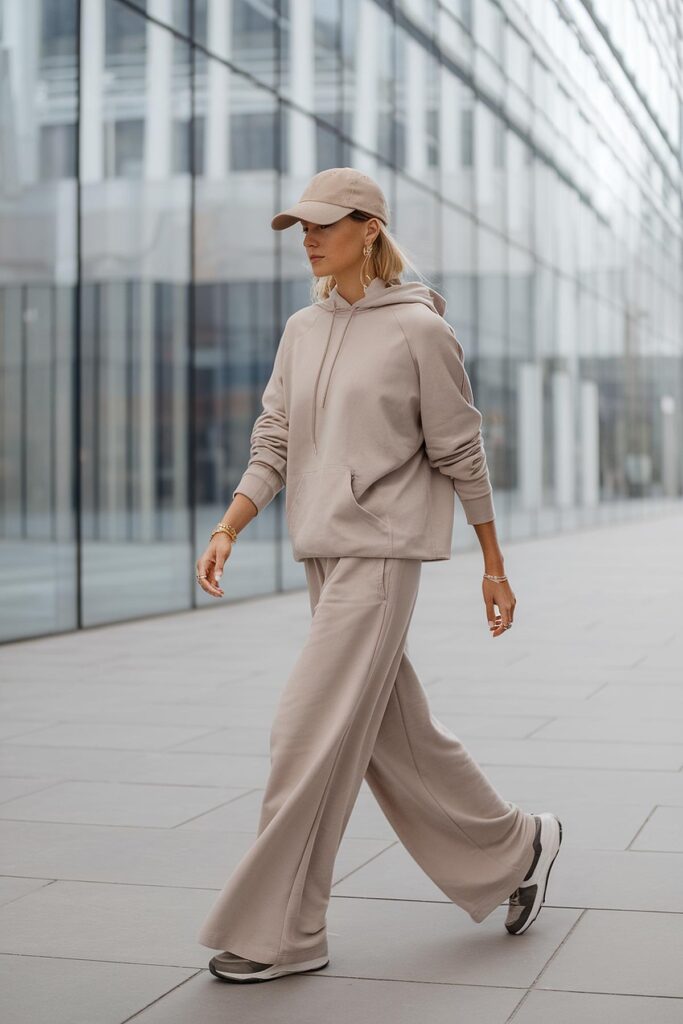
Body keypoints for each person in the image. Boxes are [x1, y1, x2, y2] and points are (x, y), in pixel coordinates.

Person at [194, 167, 562, 984]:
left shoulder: (419, 331)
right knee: (398, 740)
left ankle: (283, 932)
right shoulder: (302, 328)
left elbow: (460, 450)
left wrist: (492, 565)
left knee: (304, 734)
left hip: (383, 556)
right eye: (301, 227)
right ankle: (517, 847)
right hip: (323, 555)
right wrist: (228, 525)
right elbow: (275, 439)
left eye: (325, 224)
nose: (310, 238)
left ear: (370, 228)